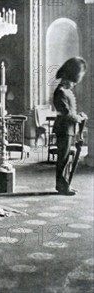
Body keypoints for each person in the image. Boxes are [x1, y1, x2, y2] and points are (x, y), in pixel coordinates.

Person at [53, 57, 87, 196]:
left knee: (67, 158)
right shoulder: (60, 92)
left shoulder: (65, 92)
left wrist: (78, 115)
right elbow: (67, 113)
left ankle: (65, 184)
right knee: (63, 158)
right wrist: (79, 118)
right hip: (64, 128)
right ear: (67, 78)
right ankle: (61, 185)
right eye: (72, 81)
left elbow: (70, 112)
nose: (73, 85)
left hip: (69, 129)